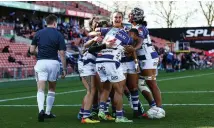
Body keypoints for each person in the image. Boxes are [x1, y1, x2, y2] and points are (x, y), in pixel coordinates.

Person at [90, 11, 133, 123]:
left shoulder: (108, 30)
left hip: (100, 60)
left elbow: (94, 31)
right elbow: (130, 44)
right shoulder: (123, 33)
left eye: (119, 17)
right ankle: (119, 116)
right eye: (116, 17)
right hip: (111, 61)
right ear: (112, 19)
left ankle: (101, 111)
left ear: (122, 19)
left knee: (106, 88)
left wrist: (97, 35)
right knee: (119, 90)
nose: (118, 19)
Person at [128, 7, 165, 118]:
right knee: (139, 84)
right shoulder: (134, 27)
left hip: (148, 58)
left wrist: (134, 49)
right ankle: (153, 106)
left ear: (134, 16)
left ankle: (159, 109)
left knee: (151, 83)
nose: (129, 15)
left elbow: (140, 42)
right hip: (142, 58)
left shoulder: (140, 28)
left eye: (130, 14)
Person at [30, 14, 67, 122]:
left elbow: (31, 50)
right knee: (51, 88)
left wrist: (40, 52)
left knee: (40, 88)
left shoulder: (39, 33)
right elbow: (62, 53)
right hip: (53, 63)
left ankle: (41, 110)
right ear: (55, 23)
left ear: (46, 23)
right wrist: (64, 69)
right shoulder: (59, 34)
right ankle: (48, 112)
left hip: (41, 62)